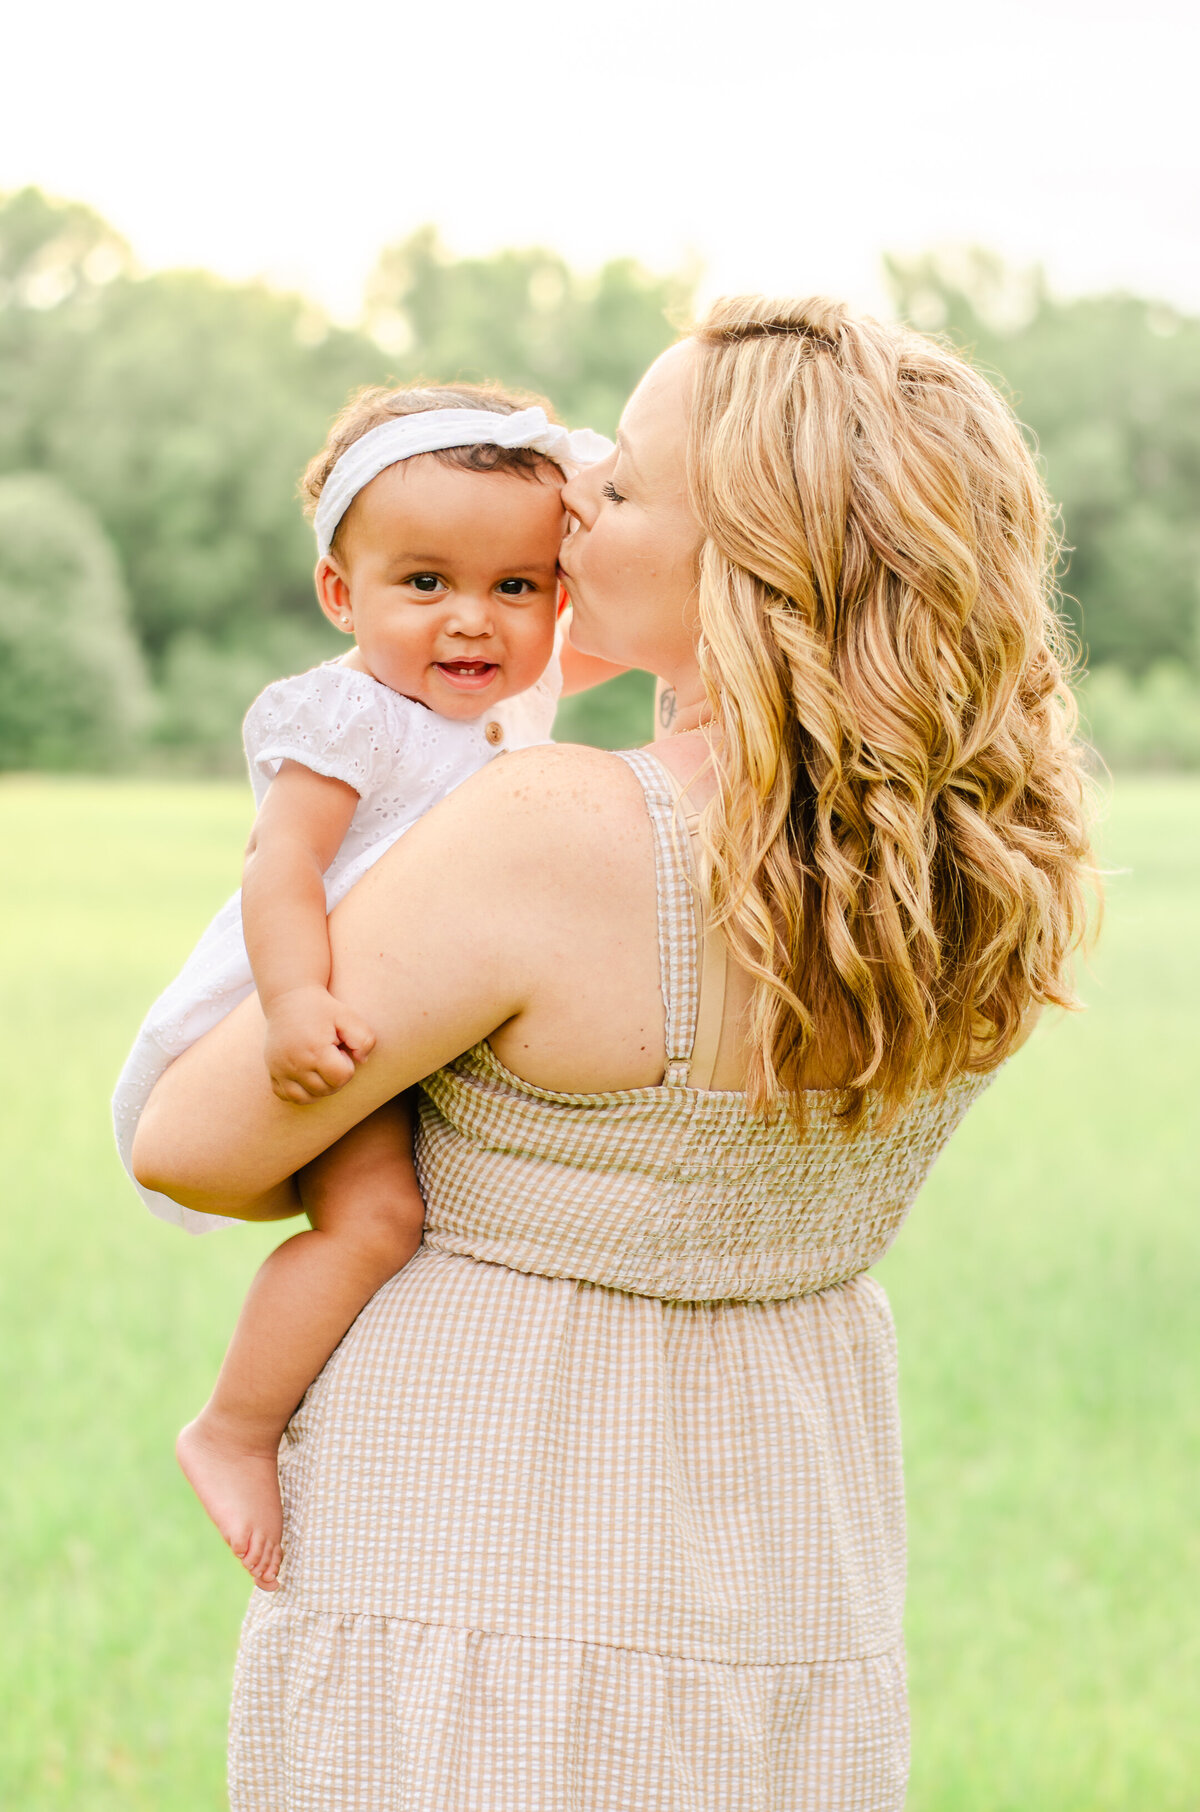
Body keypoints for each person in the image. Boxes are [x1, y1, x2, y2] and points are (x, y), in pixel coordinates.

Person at [133, 296, 1095, 1811]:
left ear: (756, 562)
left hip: (490, 1514)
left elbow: (190, 1138)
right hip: (789, 1540)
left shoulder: (556, 829)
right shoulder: (975, 873)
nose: (573, 506)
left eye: (624, 485)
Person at [113, 381, 618, 1591]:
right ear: (342, 594)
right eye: (424, 583)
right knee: (377, 1221)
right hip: (310, 1006)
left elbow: (638, 612)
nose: (472, 624)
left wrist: (585, 486)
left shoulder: (513, 701)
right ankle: (232, 1428)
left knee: (423, 1220)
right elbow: (278, 865)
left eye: (516, 586)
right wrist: (291, 1006)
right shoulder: (357, 714)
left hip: (412, 1022)